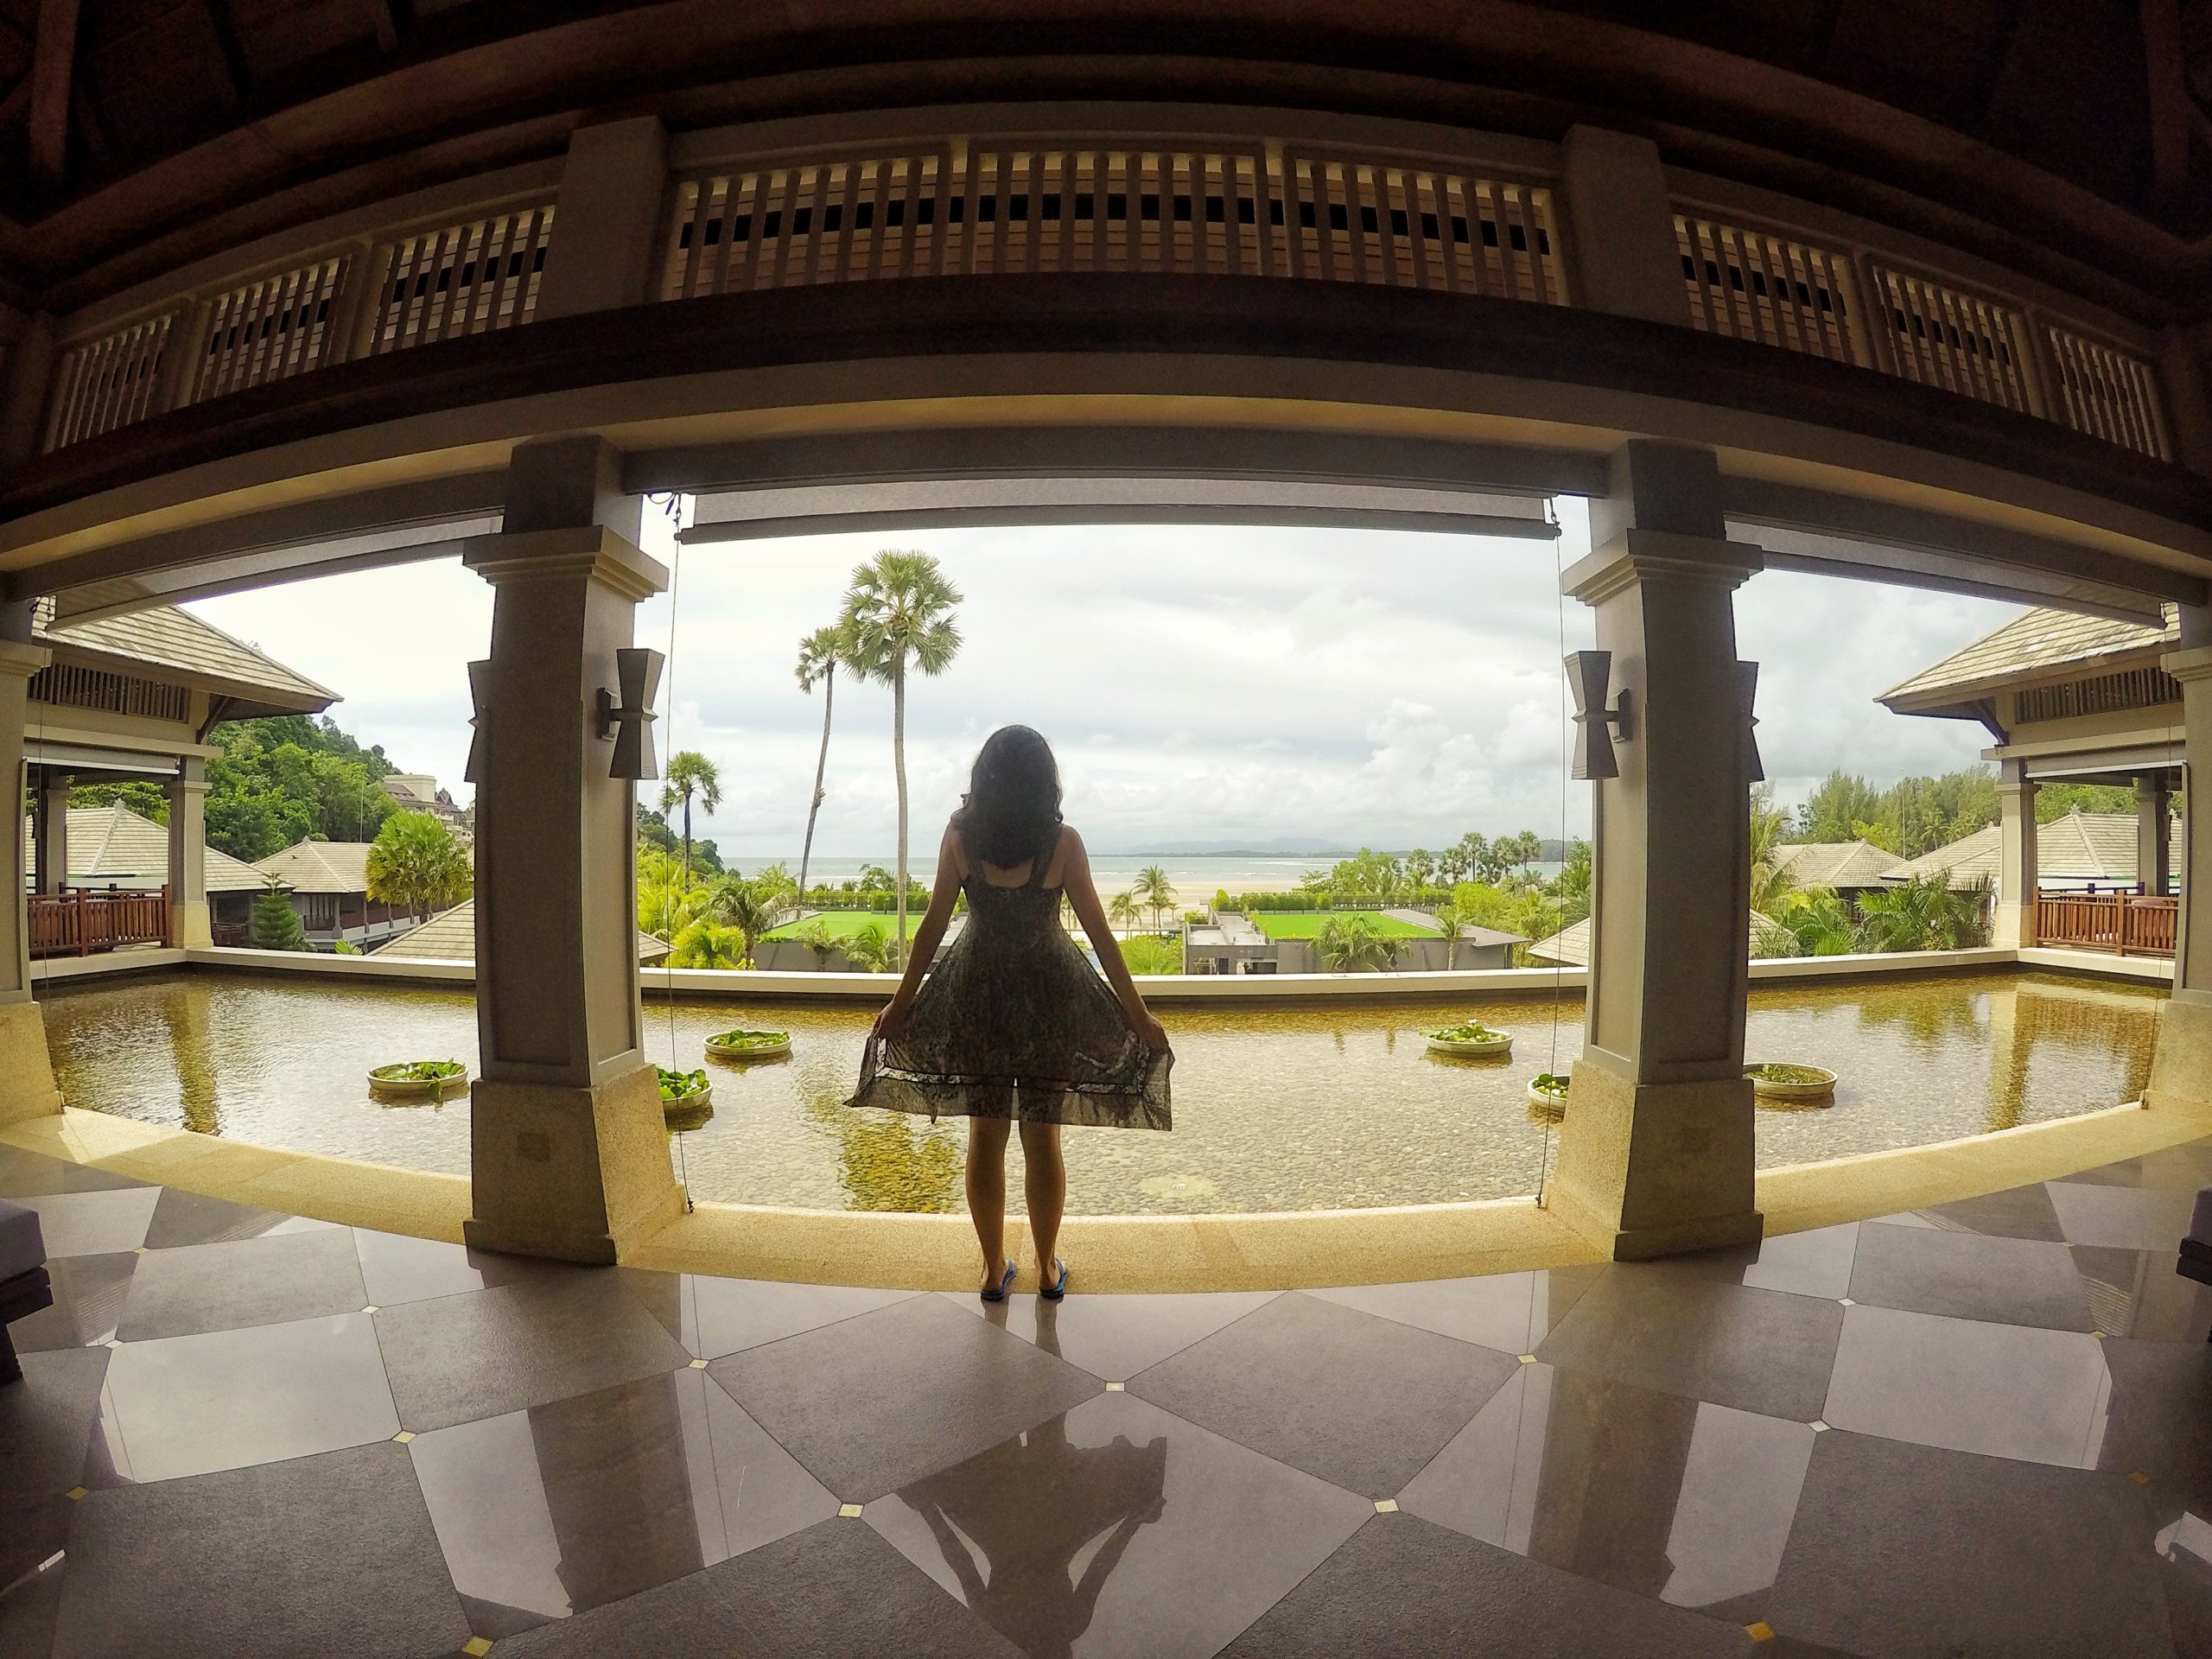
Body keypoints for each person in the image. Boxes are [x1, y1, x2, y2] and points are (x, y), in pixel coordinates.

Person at [849, 725, 1173, 1300]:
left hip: (977, 995)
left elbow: (932, 926)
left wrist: (901, 1005)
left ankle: (994, 1266)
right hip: (1051, 996)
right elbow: (1101, 937)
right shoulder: (1063, 843)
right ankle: (1047, 1267)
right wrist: (1140, 1017)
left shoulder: (959, 836)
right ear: (1045, 784)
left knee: (986, 1136)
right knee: (1041, 1142)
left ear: (984, 779)